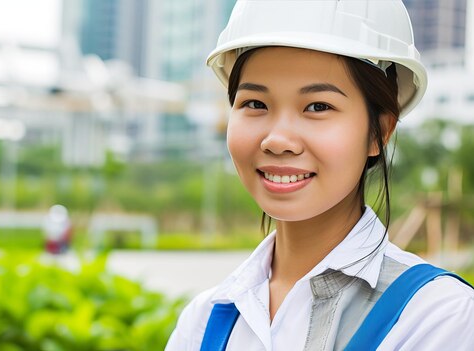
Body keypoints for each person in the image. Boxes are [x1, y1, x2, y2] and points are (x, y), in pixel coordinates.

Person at [165, 1, 474, 350]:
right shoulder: (204, 321)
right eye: (255, 103)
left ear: (379, 132)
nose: (277, 140)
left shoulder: (438, 318)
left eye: (318, 107)